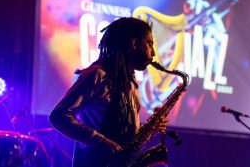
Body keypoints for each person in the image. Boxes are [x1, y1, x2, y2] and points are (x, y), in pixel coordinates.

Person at [49, 17, 169, 167]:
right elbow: (58, 116)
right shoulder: (97, 75)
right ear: (134, 43)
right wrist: (101, 141)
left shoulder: (129, 82)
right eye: (149, 43)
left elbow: (124, 137)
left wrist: (151, 128)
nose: (153, 53)